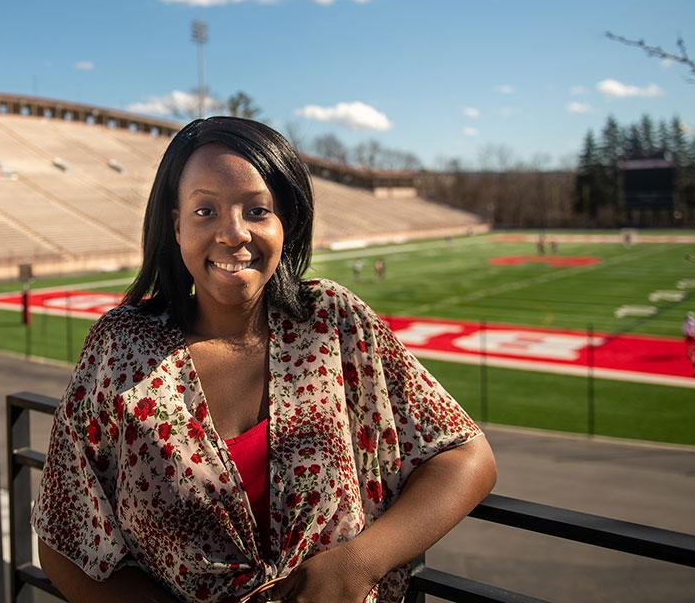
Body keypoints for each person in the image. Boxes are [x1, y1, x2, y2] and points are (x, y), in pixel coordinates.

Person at [33, 117, 496, 603]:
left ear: (285, 223)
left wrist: (360, 562)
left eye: (257, 210)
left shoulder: (333, 322)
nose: (233, 234)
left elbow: (467, 456)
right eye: (205, 210)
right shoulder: (120, 347)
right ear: (176, 225)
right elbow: (62, 541)